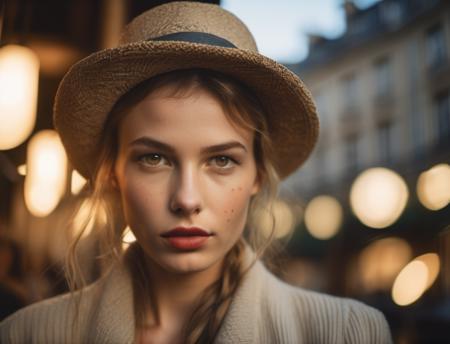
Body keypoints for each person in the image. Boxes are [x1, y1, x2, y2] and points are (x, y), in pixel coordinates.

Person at [0, 2, 392, 343]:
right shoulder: (26, 334)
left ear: (257, 174)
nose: (186, 199)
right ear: (112, 172)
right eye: (154, 158)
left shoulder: (347, 333)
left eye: (221, 160)